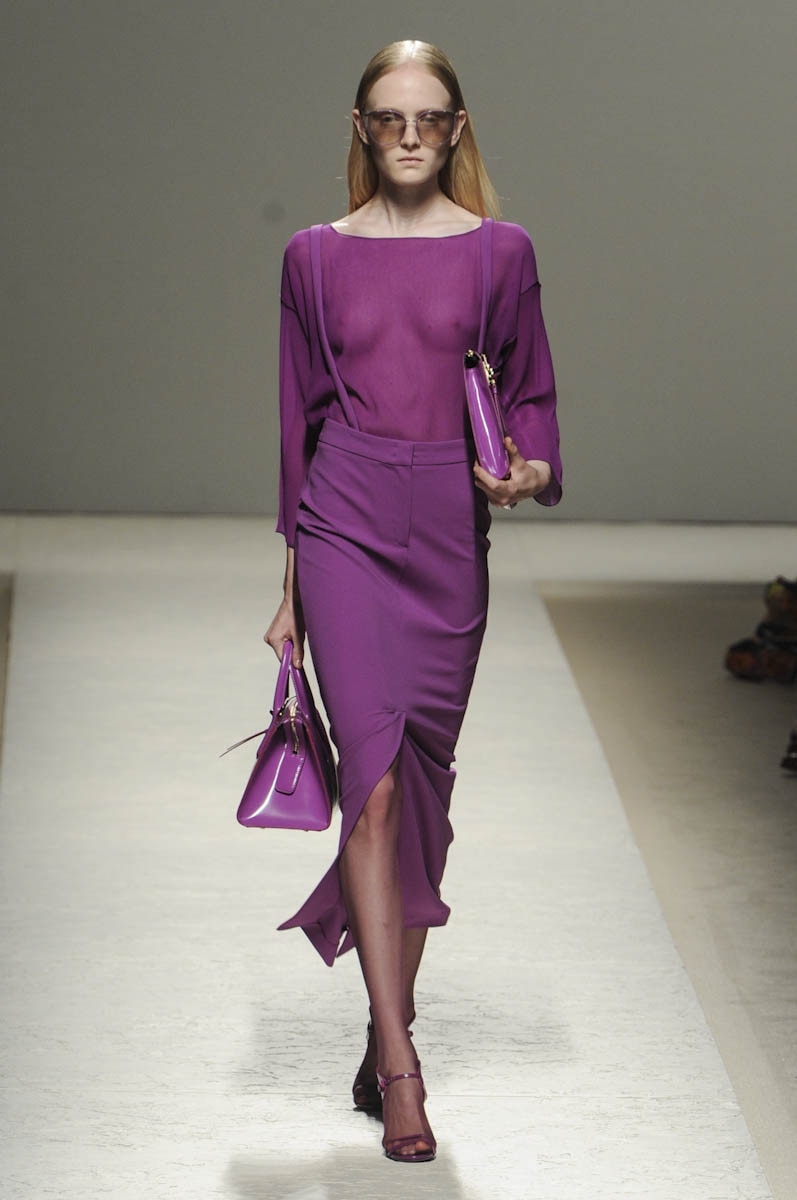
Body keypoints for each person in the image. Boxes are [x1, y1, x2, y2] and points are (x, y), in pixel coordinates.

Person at [265, 39, 562, 1163]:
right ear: (359, 128)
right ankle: (399, 1063)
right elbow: (295, 424)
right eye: (387, 117)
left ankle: (383, 1016)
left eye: (427, 118)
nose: (406, 135)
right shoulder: (311, 257)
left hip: (446, 532)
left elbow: (529, 394)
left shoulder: (498, 252)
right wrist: (290, 586)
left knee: (423, 790)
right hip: (342, 520)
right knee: (375, 785)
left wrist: (528, 468)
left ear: (455, 129)